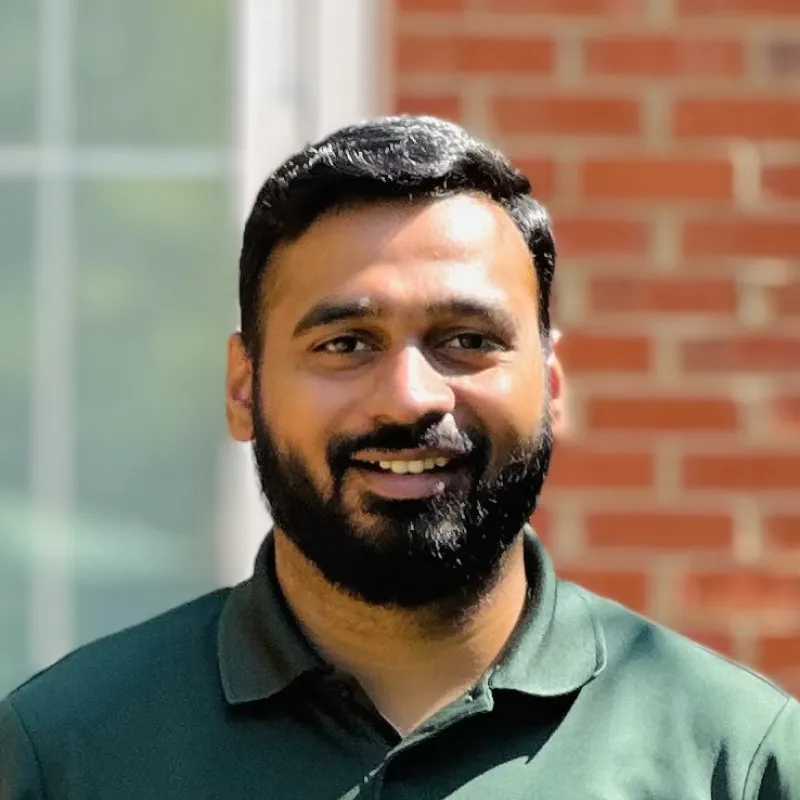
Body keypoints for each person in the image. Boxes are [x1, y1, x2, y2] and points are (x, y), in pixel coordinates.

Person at [1, 116, 797, 799]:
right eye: (346, 344)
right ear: (244, 389)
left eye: (468, 341)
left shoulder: (736, 759)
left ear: (551, 386)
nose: (411, 397)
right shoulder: (64, 753)